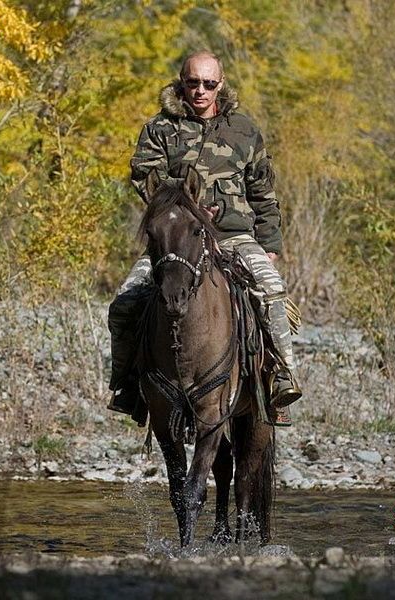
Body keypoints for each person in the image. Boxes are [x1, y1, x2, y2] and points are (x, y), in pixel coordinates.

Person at [107, 50, 301, 427]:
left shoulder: (244, 130)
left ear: (220, 84)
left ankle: (281, 378)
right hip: (176, 241)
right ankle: (127, 385)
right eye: (193, 82)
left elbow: (263, 191)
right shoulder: (159, 129)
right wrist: (187, 211)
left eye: (209, 83)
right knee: (124, 302)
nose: (200, 90)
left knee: (272, 292)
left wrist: (270, 244)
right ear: (182, 82)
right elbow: (145, 179)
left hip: (233, 237)